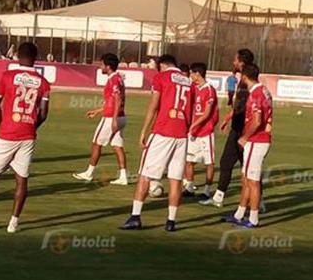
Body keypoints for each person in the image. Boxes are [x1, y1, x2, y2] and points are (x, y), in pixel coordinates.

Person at [0, 42, 51, 234]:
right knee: (22, 179)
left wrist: (3, 124)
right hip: (28, 135)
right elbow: (44, 113)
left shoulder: (7, 76)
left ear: (17, 56)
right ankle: (13, 223)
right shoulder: (43, 82)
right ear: (36, 58)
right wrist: (31, 126)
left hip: (7, 134)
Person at [120, 54, 193, 232]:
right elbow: (190, 112)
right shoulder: (189, 82)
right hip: (181, 134)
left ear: (162, 65)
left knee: (145, 174)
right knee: (175, 179)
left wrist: (144, 131)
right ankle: (171, 221)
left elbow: (154, 105)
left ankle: (135, 217)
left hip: (162, 131)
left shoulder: (161, 77)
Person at [199, 49, 265, 209]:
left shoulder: (246, 82)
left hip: (242, 130)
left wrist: (241, 130)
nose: (233, 62)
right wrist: (228, 118)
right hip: (238, 127)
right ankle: (221, 197)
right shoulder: (243, 80)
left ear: (241, 62)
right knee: (234, 164)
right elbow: (239, 105)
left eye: (235, 60)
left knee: (246, 167)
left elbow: (245, 107)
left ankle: (256, 203)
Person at [221, 64, 272, 228]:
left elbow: (257, 121)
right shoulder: (264, 90)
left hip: (257, 141)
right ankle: (239, 214)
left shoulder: (256, 94)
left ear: (244, 76)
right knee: (246, 179)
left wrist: (245, 137)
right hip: (259, 140)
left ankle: (253, 218)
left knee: (253, 181)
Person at [72, 53, 128, 185]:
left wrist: (113, 119)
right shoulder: (118, 78)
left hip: (111, 118)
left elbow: (117, 99)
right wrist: (97, 111)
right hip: (121, 117)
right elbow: (112, 101)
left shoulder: (113, 79)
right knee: (117, 146)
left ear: (108, 66)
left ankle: (89, 173)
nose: (100, 67)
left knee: (96, 143)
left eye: (102, 64)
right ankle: (123, 177)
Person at [183, 63, 218, 199]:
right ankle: (189, 188)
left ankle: (207, 190)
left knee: (209, 162)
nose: (190, 76)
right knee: (189, 160)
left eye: (192, 73)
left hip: (205, 132)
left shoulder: (209, 89)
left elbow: (207, 113)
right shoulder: (194, 88)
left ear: (197, 74)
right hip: (194, 133)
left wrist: (194, 125)